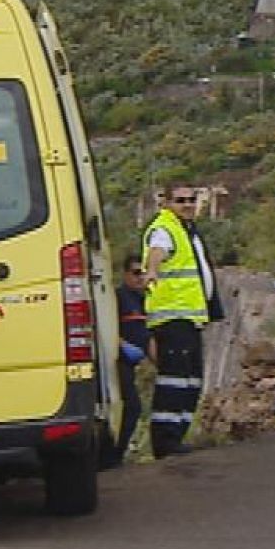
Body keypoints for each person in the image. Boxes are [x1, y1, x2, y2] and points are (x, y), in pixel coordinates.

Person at [141, 183, 219, 458]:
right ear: (167, 203)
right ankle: (165, 442)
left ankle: (178, 435)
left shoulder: (188, 231)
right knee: (174, 381)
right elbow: (157, 251)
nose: (187, 204)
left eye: (191, 199)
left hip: (189, 317)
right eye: (180, 200)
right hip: (173, 318)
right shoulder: (165, 228)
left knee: (191, 380)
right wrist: (151, 270)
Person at [107, 255, 149, 467]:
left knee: (132, 408)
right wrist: (122, 345)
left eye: (143, 273)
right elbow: (108, 327)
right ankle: (113, 456)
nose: (140, 277)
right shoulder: (119, 298)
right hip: (117, 363)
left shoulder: (144, 300)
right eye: (135, 273)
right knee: (130, 407)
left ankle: (116, 455)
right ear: (125, 274)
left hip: (131, 364)